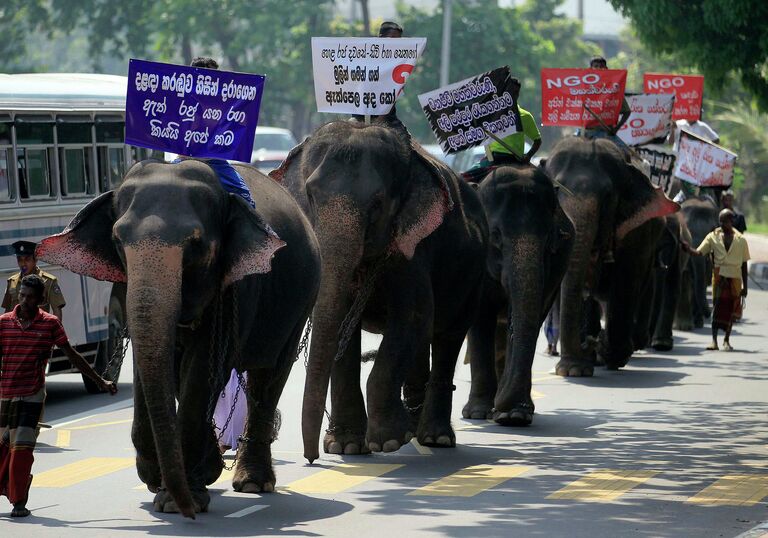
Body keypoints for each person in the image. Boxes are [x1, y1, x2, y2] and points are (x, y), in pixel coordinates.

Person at [0, 274, 117, 517]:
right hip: (5, 397)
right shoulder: (3, 323)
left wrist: (100, 381)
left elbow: (72, 355)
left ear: (41, 300)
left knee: (21, 451)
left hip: (31, 395)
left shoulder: (50, 324)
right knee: (3, 451)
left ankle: (18, 501)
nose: (24, 301)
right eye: (21, 296)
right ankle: (12, 488)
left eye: (30, 298)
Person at [175, 57, 256, 209]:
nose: (216, 80)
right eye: (212, 75)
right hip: (186, 160)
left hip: (214, 160)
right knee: (245, 197)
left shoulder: (224, 103)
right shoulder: (180, 99)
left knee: (246, 196)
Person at [683, 209, 750, 351]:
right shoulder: (712, 237)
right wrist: (688, 249)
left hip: (735, 278)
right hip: (719, 276)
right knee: (717, 308)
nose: (721, 224)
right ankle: (714, 341)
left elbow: (744, 265)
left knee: (731, 311)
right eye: (720, 220)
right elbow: (699, 252)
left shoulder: (741, 240)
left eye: (724, 221)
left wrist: (745, 287)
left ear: (731, 221)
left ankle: (726, 340)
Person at [462, 78, 541, 182]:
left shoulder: (525, 116)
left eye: (515, 92)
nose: (513, 95)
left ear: (518, 94)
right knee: (462, 179)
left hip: (514, 159)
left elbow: (537, 140)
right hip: (493, 159)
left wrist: (528, 156)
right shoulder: (490, 113)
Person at [2, 241, 65, 321]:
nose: (23, 264)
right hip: (17, 331)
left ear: (35, 260)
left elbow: (57, 310)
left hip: (38, 330)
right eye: (20, 260)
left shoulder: (48, 281)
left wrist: (54, 331)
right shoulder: (12, 282)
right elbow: (7, 311)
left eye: (27, 259)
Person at [583, 56, 631, 146]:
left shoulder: (614, 89)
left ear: (606, 69)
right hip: (587, 132)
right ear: (590, 69)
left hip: (606, 133)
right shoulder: (583, 89)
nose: (599, 68)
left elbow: (627, 112)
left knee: (625, 154)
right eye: (596, 66)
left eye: (601, 66)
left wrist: (616, 129)